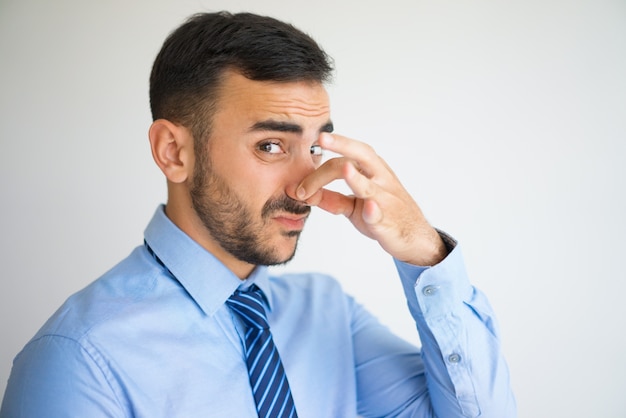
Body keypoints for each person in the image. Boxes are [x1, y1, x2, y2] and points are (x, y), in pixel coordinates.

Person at [0, 11, 516, 418]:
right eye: (270, 146)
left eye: (314, 148)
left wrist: (422, 248)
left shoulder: (328, 314)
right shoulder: (78, 359)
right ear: (173, 152)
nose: (305, 186)